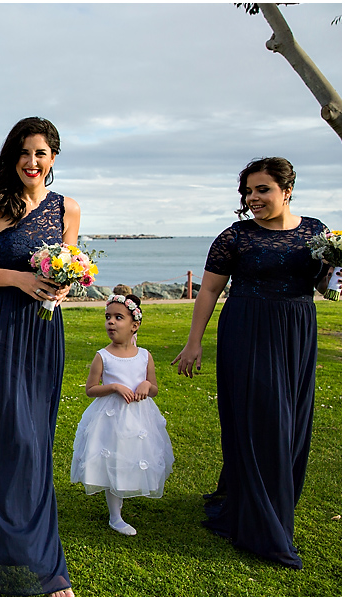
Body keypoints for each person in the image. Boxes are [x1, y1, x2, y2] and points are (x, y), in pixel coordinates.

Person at [172, 157, 337, 569]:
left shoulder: (317, 232)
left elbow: (326, 288)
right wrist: (194, 343)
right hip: (246, 330)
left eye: (261, 189)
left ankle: (271, 501)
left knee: (292, 423)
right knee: (261, 421)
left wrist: (337, 268)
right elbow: (209, 291)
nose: (252, 199)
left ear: (287, 189)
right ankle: (262, 523)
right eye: (248, 191)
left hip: (297, 331)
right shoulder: (235, 237)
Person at [0, 117, 80, 596]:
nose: (32, 161)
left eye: (41, 153)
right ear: (12, 156)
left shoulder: (69, 209)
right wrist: (22, 279)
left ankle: (35, 546)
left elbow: (69, 266)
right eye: (24, 153)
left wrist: (63, 288)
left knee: (33, 437)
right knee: (1, 431)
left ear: (53, 158)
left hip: (41, 331)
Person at [70, 294, 174, 536]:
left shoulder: (144, 355)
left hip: (139, 419)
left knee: (132, 457)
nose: (111, 323)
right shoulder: (103, 356)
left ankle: (124, 496)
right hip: (110, 418)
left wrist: (147, 386)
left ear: (134, 325)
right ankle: (115, 516)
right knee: (113, 460)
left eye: (119, 318)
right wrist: (114, 387)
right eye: (108, 318)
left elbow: (154, 387)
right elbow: (91, 389)